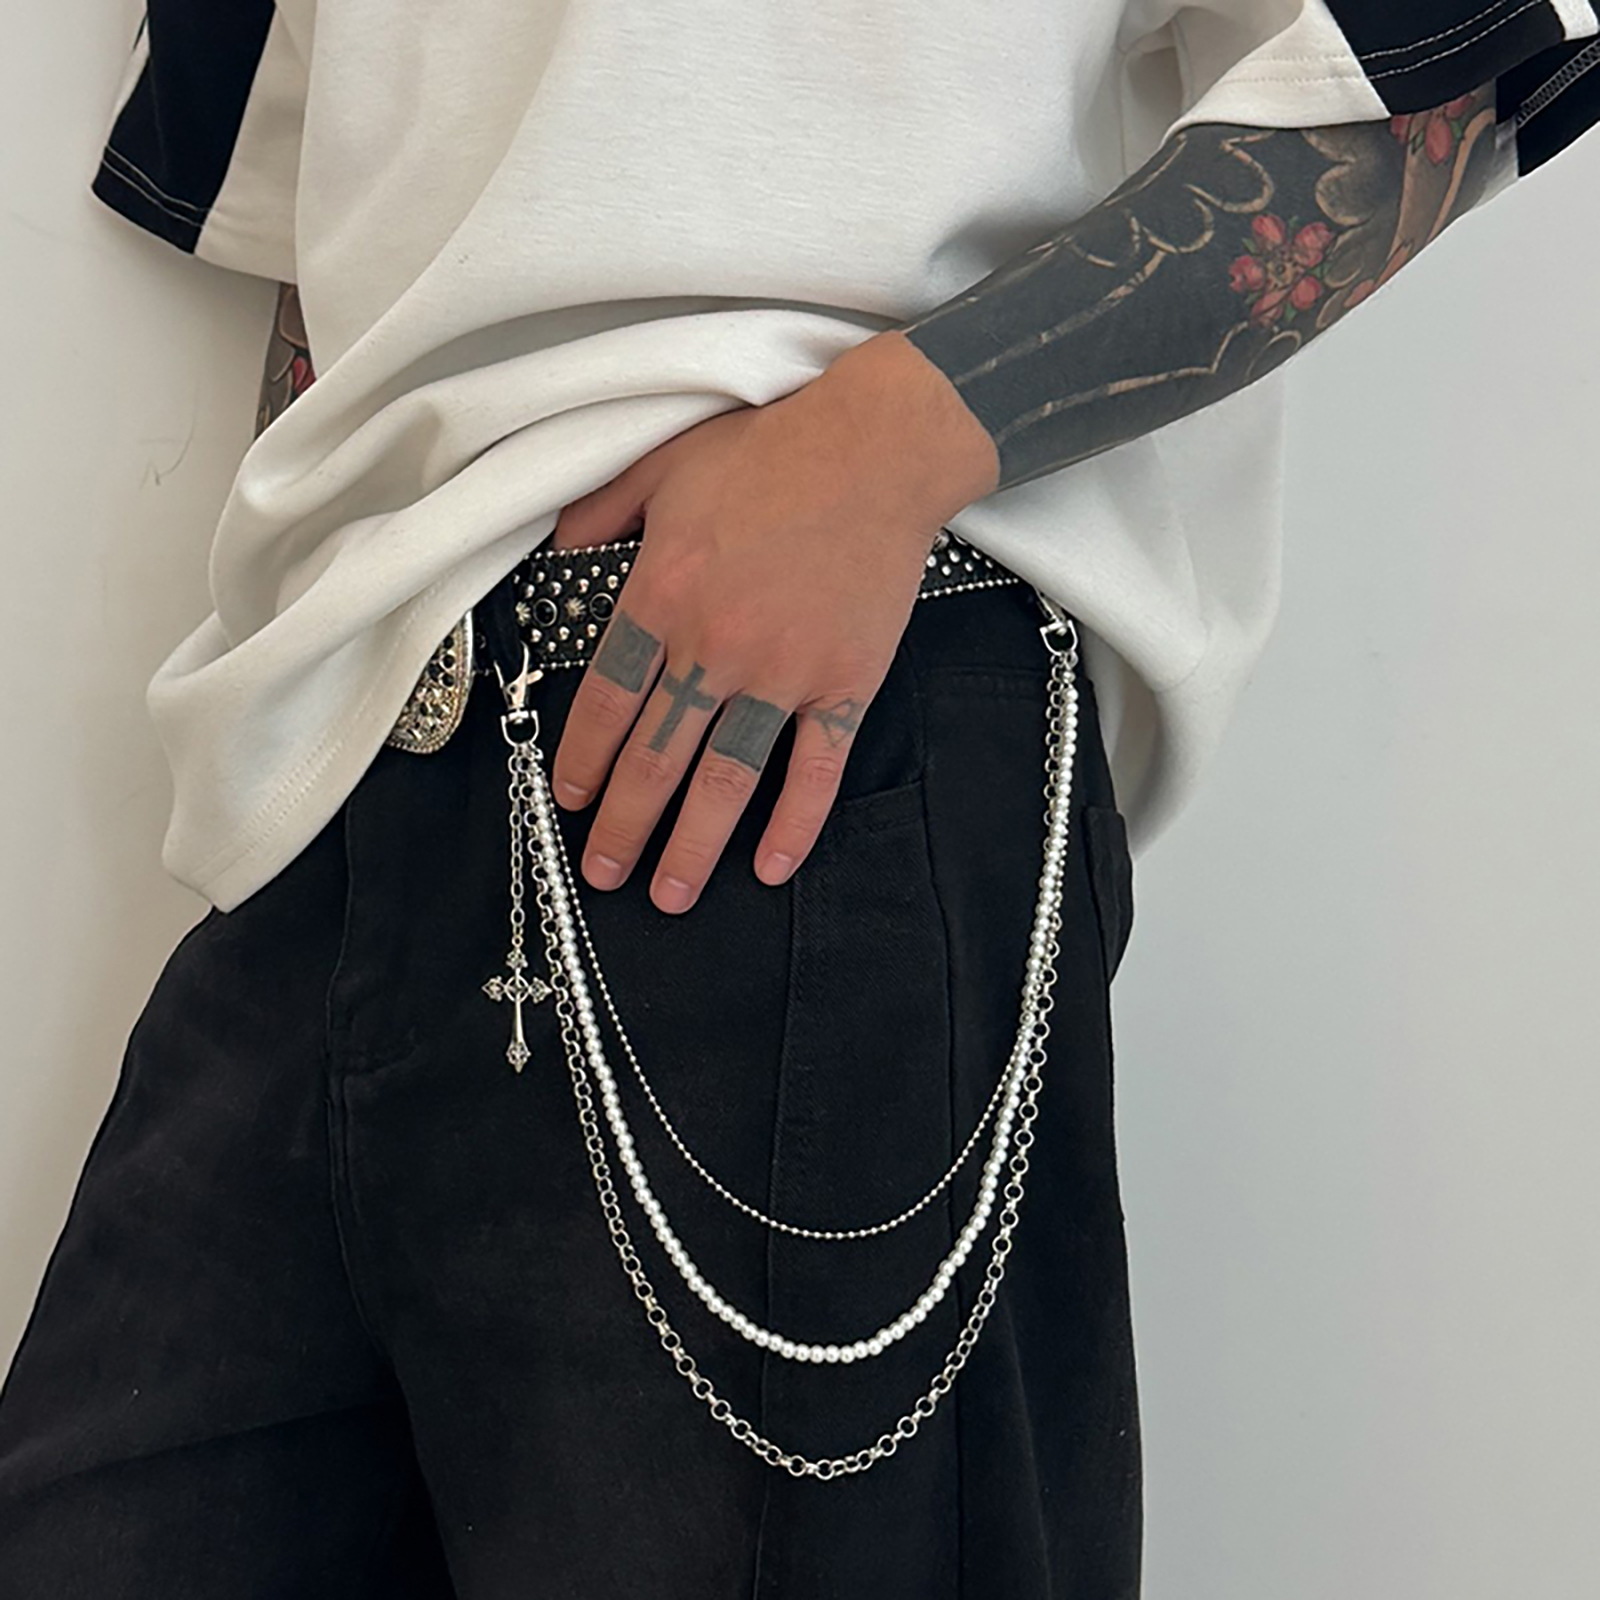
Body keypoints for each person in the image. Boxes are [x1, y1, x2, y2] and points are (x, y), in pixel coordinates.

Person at [1, 1, 1595, 1594]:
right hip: (342, 752)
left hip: (784, 766)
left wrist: (883, 448)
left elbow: (1446, 63)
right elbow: (341, 222)